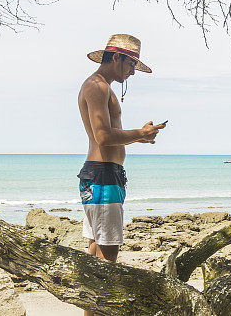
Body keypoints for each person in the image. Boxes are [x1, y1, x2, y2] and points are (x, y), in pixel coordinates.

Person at [76, 34, 165, 315]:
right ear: (116, 57)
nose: (132, 72)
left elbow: (108, 135)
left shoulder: (103, 87)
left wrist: (138, 138)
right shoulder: (96, 86)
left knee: (96, 256)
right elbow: (102, 137)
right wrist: (139, 133)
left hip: (106, 175)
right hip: (102, 176)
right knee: (107, 260)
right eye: (130, 65)